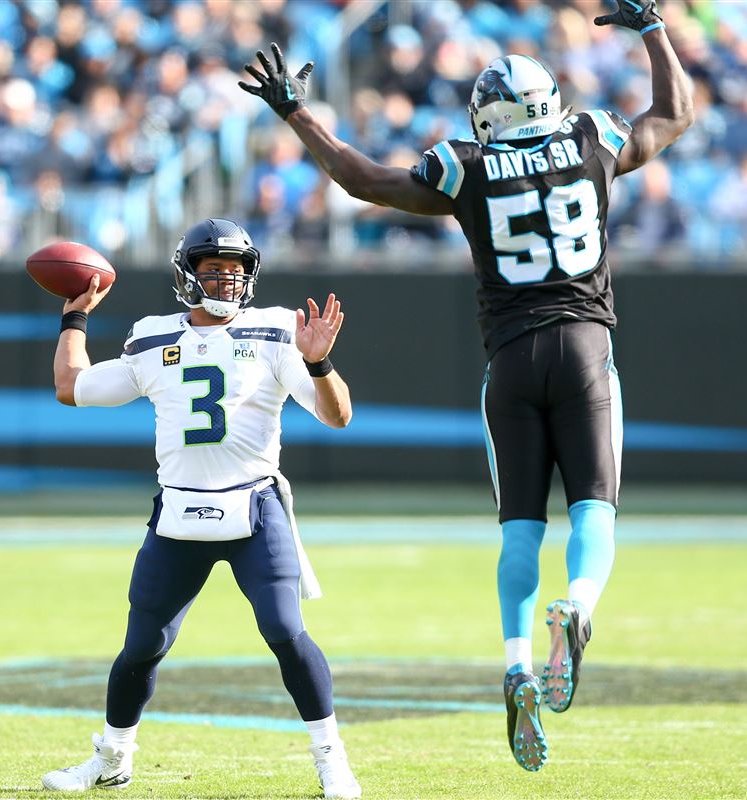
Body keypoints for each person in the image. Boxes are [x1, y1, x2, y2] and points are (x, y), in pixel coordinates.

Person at [239, 0, 693, 773]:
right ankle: (576, 609)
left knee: (520, 529)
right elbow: (674, 113)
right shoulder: (591, 138)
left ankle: (518, 661)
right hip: (585, 347)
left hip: (511, 362)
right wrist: (651, 26)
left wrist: (298, 114)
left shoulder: (467, 164)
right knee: (595, 510)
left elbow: (365, 181)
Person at [44, 218, 362, 799]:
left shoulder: (275, 330)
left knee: (286, 630)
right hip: (179, 513)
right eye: (213, 271)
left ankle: (331, 759)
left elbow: (337, 415)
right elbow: (72, 386)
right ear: (186, 275)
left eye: (236, 273)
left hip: (253, 507)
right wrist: (74, 317)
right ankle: (114, 757)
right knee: (142, 645)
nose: (226, 283)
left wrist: (319, 363)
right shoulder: (152, 336)